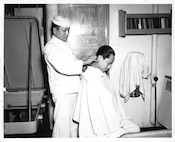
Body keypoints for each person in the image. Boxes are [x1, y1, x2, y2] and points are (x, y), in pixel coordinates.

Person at [43, 15, 96, 138]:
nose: (67, 34)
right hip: (63, 93)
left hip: (74, 90)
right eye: (64, 30)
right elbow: (62, 66)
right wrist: (83, 62)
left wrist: (84, 67)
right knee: (62, 128)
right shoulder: (50, 47)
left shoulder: (66, 45)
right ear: (55, 30)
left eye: (68, 30)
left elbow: (72, 66)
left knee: (74, 126)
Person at [73, 45, 140, 137]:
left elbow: (112, 101)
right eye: (108, 63)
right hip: (100, 126)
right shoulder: (90, 77)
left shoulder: (102, 74)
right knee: (133, 131)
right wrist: (114, 126)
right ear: (100, 58)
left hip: (112, 120)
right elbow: (95, 111)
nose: (109, 67)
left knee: (135, 129)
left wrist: (121, 119)